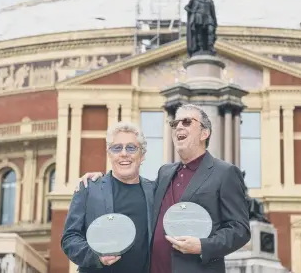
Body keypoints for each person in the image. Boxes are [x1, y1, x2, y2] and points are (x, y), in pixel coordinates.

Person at [78, 104, 251, 273]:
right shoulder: (165, 172)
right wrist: (102, 178)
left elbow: (240, 228)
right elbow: (133, 185)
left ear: (204, 133)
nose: (179, 127)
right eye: (175, 124)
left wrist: (203, 246)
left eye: (187, 122)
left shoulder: (225, 172)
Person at [61, 122, 155, 273]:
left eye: (131, 148)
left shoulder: (155, 191)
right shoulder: (89, 188)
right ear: (109, 154)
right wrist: (96, 256)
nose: (124, 153)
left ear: (142, 155)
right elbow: (70, 238)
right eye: (117, 148)